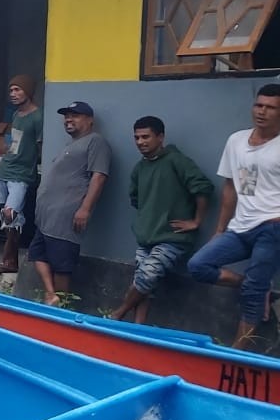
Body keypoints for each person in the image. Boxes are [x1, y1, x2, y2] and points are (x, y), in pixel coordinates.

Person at [187, 84, 280, 349]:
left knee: (252, 292)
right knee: (198, 265)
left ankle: (236, 352)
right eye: (258, 105)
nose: (262, 111)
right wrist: (220, 229)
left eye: (270, 107)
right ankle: (256, 288)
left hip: (272, 227)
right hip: (240, 227)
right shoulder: (237, 141)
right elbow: (231, 187)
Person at [109, 116, 212, 324]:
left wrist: (196, 221)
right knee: (144, 284)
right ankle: (138, 329)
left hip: (173, 238)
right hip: (146, 236)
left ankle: (117, 314)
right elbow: (136, 199)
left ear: (160, 137)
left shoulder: (177, 161)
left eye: (146, 137)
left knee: (146, 277)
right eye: (136, 138)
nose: (140, 142)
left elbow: (203, 188)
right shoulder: (139, 168)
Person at [32, 101, 110, 306]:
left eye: (75, 115)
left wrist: (85, 208)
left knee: (61, 265)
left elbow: (99, 177)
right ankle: (51, 295)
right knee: (37, 254)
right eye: (66, 116)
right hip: (47, 216)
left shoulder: (96, 141)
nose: (68, 119)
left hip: (65, 215)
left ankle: (62, 309)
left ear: (90, 120)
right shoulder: (71, 145)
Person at [0, 75, 43, 276]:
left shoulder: (38, 117)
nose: (13, 94)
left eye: (18, 89)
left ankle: (9, 260)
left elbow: (40, 147)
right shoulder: (16, 114)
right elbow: (12, 142)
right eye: (11, 90)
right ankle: (10, 261)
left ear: (28, 91)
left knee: (12, 214)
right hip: (5, 169)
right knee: (4, 215)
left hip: (21, 173)